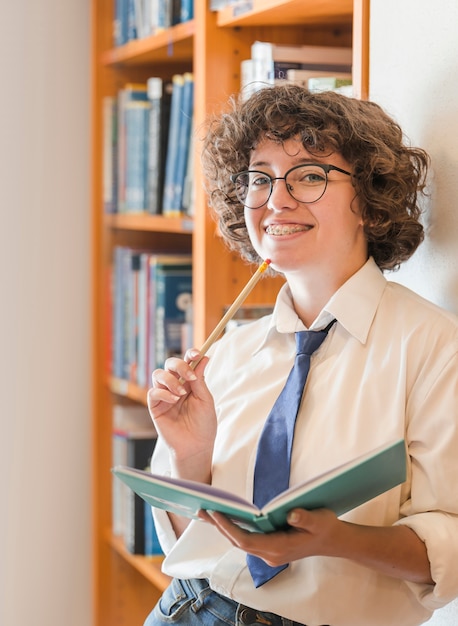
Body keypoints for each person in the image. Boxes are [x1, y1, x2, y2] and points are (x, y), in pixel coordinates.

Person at [144, 83, 458, 626]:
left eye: (310, 176)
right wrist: (189, 457)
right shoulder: (232, 350)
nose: (276, 201)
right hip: (187, 609)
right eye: (259, 178)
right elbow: (187, 539)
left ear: (373, 202)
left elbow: (449, 544)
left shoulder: (433, 347)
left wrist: (338, 540)